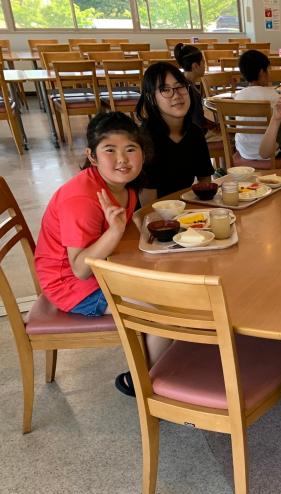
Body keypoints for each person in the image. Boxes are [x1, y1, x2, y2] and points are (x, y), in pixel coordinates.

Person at [33, 112, 164, 396]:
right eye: (110, 150)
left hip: (103, 267)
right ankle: (142, 381)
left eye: (131, 149)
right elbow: (80, 269)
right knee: (162, 311)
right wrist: (115, 232)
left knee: (172, 288)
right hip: (72, 285)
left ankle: (167, 363)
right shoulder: (81, 199)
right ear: (92, 156)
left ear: (143, 153)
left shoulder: (121, 186)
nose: (122, 160)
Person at [136, 62, 214, 204]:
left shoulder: (194, 133)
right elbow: (147, 206)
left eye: (180, 86)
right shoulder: (146, 139)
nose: (176, 95)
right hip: (152, 213)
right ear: (151, 98)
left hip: (183, 208)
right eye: (165, 90)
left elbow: (205, 182)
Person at [233, 49, 272, 161]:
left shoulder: (238, 96)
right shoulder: (273, 96)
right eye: (268, 70)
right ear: (262, 72)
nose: (269, 74)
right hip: (270, 153)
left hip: (244, 152)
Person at [174, 43, 217, 133]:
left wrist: (213, 124)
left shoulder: (180, 83)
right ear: (195, 66)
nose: (205, 65)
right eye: (203, 62)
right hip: (193, 136)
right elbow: (198, 124)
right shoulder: (191, 91)